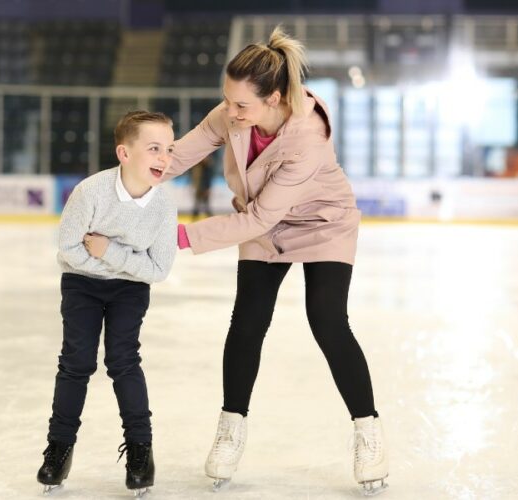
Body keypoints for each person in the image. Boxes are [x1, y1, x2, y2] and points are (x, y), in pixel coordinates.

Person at [170, 26, 388, 494]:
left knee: (327, 320)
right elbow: (180, 154)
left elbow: (259, 218)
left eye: (240, 105)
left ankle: (368, 430)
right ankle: (231, 426)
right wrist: (129, 176)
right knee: (247, 322)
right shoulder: (235, 113)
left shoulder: (306, 134)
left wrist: (181, 237)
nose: (230, 112)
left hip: (321, 224)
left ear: (273, 98)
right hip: (264, 221)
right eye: (226, 101)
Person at [36, 111, 177, 497]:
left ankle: (140, 451)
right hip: (81, 285)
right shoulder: (91, 192)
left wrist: (108, 251)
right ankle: (58, 449)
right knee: (76, 362)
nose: (164, 157)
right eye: (153, 148)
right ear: (124, 153)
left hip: (130, 291)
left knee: (123, 361)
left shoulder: (164, 206)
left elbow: (159, 268)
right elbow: (67, 251)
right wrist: (124, 262)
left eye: (168, 148)